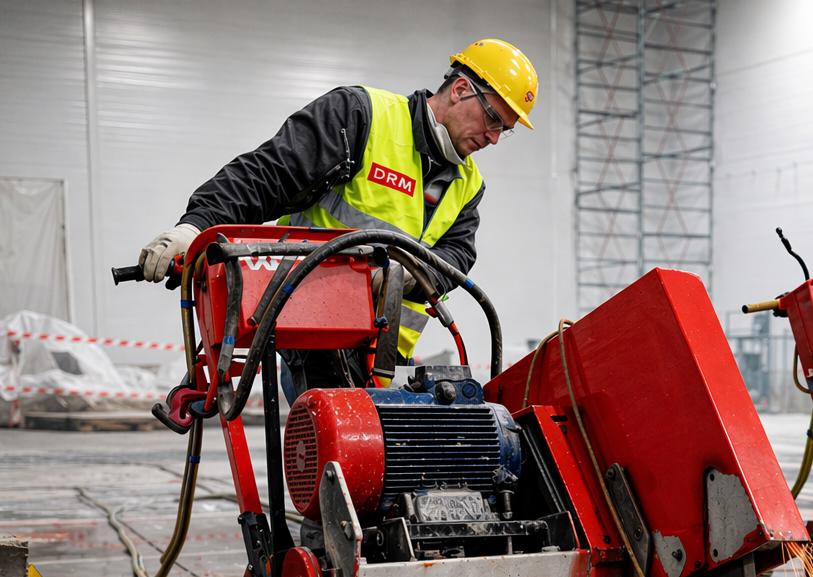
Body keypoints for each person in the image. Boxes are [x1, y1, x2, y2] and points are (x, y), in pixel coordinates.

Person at [136, 39, 538, 389]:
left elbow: (456, 255)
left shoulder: (469, 182)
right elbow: (266, 175)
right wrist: (196, 226)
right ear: (461, 89)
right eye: (492, 119)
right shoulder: (362, 116)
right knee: (334, 459)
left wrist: (412, 274)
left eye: (505, 130)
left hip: (387, 361)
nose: (494, 138)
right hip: (316, 335)